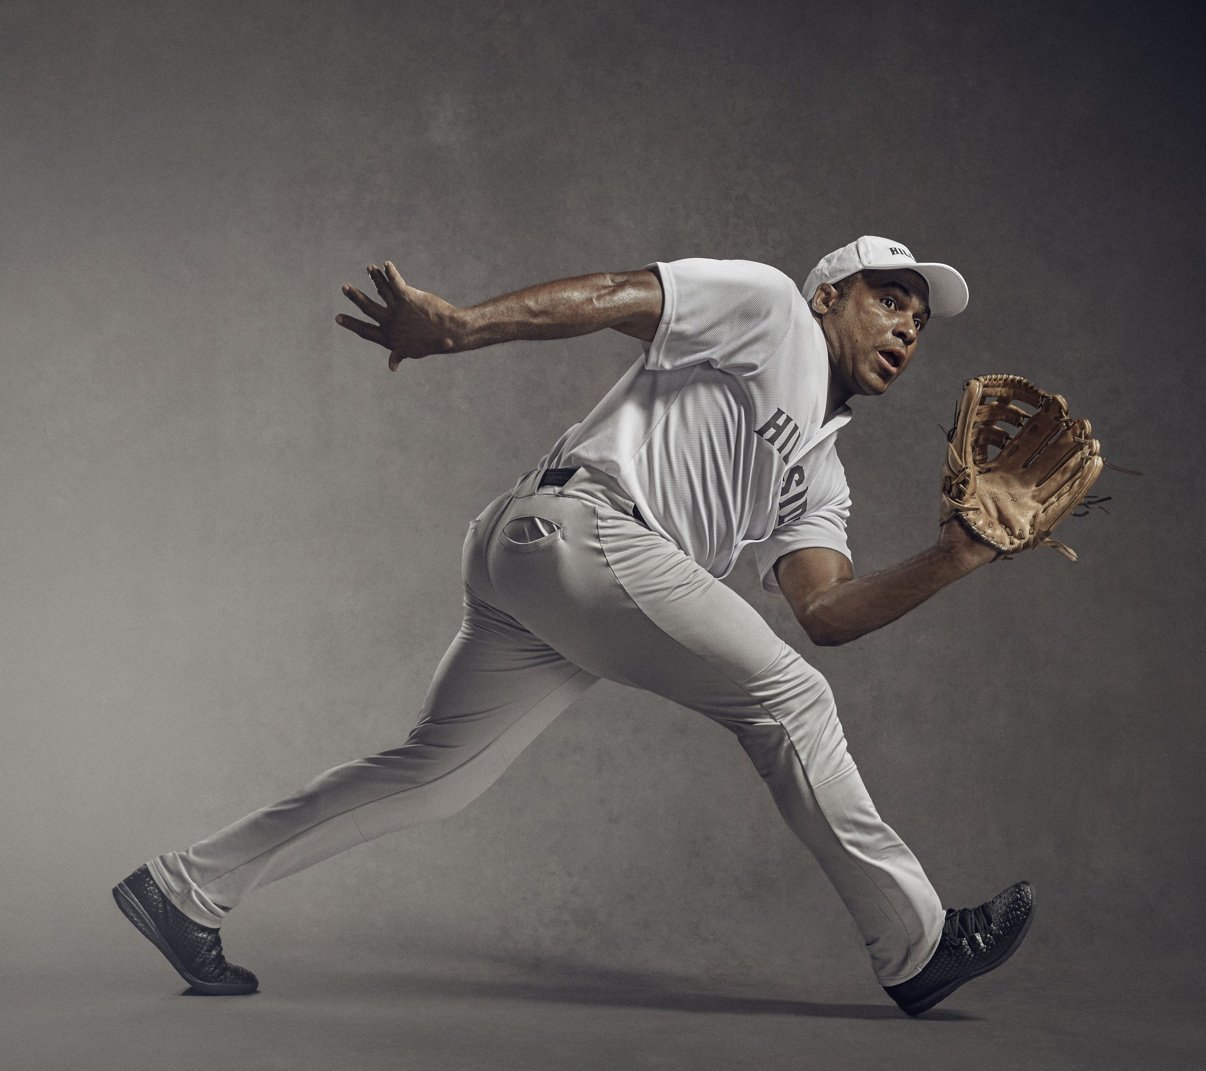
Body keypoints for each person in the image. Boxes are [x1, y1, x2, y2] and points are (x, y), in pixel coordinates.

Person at [112, 235, 1033, 1016]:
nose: (909, 325)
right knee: (789, 698)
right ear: (830, 293)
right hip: (585, 530)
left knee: (434, 778)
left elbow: (826, 611)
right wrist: (459, 327)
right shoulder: (773, 309)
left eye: (919, 318)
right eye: (891, 297)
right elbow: (612, 296)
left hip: (545, 561)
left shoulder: (820, 474)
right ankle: (917, 948)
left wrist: (954, 557)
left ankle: (185, 887)